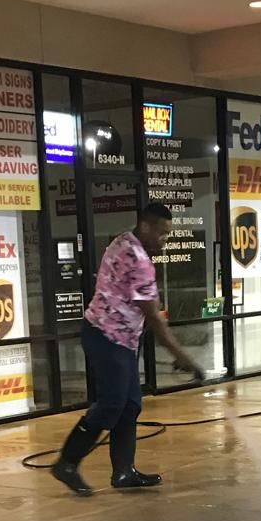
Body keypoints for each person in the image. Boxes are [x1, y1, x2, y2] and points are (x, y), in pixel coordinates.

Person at [52, 201, 204, 496]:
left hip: (114, 337)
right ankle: (66, 463)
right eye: (161, 233)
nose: (164, 240)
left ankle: (124, 472)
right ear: (145, 226)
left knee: (130, 403)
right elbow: (156, 321)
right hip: (108, 338)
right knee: (111, 403)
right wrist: (185, 359)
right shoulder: (139, 261)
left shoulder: (122, 240)